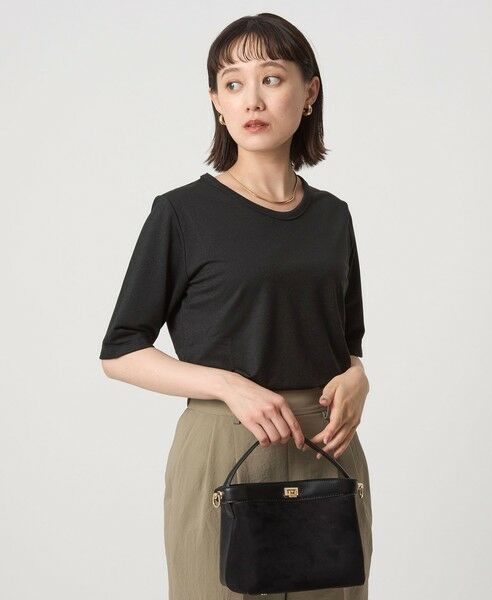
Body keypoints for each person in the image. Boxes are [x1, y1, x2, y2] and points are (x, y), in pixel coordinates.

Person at [99, 12, 373, 600]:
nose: (252, 98)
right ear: (217, 104)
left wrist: (358, 376)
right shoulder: (181, 214)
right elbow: (120, 351)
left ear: (309, 92)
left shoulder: (334, 217)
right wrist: (228, 385)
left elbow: (346, 341)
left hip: (325, 449)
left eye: (271, 78)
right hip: (227, 445)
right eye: (232, 83)